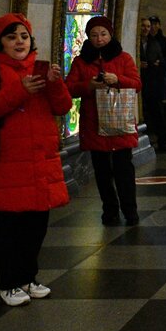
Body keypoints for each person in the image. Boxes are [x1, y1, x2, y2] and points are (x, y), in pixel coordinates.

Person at [0, 13, 72, 306]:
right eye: (12, 37)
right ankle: (9, 282)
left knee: (37, 224)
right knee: (10, 226)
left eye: (24, 36)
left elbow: (62, 107)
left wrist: (54, 84)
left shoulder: (39, 68)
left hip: (41, 159)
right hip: (8, 161)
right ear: (0, 42)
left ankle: (28, 277)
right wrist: (19, 90)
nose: (19, 42)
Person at [65, 16, 143, 226]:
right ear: (88, 38)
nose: (99, 39)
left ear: (110, 35)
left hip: (120, 125)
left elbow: (136, 84)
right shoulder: (81, 61)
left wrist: (118, 80)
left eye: (103, 34)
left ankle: (130, 211)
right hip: (94, 125)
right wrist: (89, 86)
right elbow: (69, 88)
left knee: (124, 171)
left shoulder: (123, 58)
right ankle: (109, 211)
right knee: (101, 173)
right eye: (94, 35)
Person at [139, 14, 166, 151]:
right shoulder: (139, 43)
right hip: (143, 82)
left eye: (151, 25)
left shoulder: (158, 42)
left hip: (155, 82)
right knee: (148, 113)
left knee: (157, 113)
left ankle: (162, 140)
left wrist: (159, 63)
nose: (148, 28)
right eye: (145, 26)